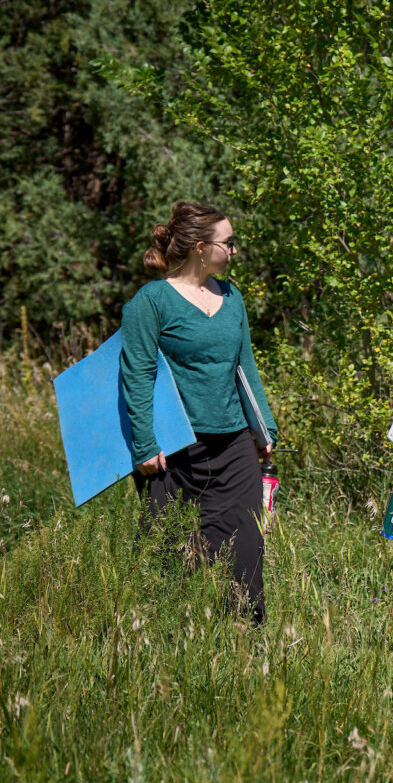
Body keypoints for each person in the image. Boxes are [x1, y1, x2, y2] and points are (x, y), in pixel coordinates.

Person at [122, 201, 278, 624]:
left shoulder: (232, 298)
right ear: (198, 247)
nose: (234, 251)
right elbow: (135, 374)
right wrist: (145, 443)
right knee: (167, 550)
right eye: (227, 244)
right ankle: (161, 632)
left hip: (232, 443)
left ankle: (247, 634)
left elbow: (245, 368)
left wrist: (265, 428)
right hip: (174, 451)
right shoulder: (151, 302)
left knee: (248, 542)